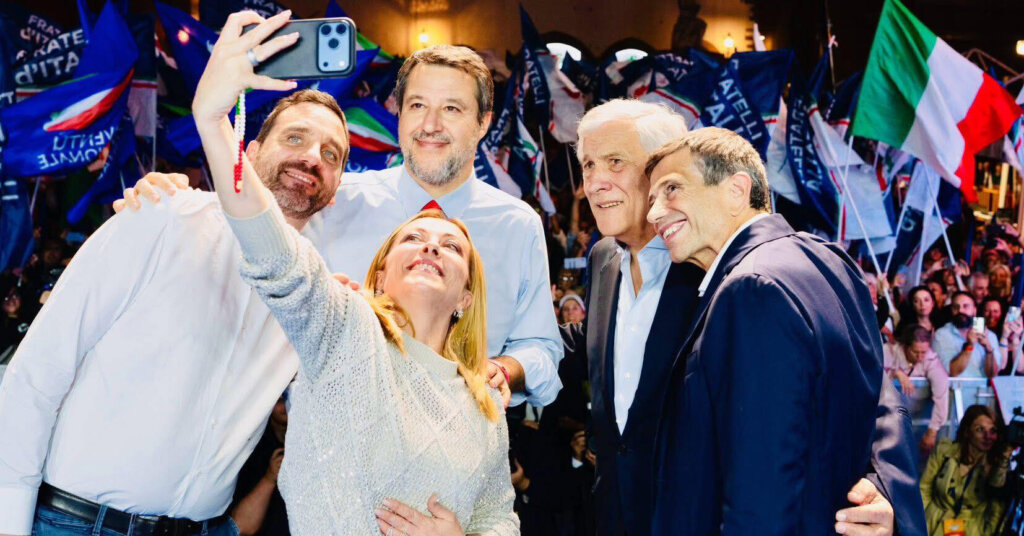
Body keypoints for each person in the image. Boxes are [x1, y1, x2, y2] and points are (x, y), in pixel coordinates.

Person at [0, 12, 343, 536]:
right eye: (295, 138)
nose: (312, 157)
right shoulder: (160, 217)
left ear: (337, 188)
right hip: (74, 523)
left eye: (331, 154)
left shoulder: (311, 295)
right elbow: (37, 375)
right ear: (250, 150)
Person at [190, 12, 517, 535]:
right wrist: (213, 123)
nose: (431, 244)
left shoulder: (485, 406)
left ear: (466, 296)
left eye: (452, 246)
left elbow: (499, 516)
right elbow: (274, 253)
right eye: (411, 238)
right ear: (379, 276)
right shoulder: (343, 332)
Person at [119, 45, 561, 410]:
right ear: (399, 113)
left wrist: (502, 369)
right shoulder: (333, 198)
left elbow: (541, 346)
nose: (430, 125)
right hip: (326, 450)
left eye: (451, 108)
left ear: (483, 122)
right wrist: (173, 199)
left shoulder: (518, 225)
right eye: (417, 106)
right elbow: (251, 226)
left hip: (463, 451)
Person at [561, 102, 915, 536]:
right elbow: (594, 345)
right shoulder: (602, 259)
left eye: (615, 161)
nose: (594, 182)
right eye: (588, 165)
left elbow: (867, 385)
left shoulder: (722, 265)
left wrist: (883, 485)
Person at [648, 128, 887, 534]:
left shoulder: (750, 289)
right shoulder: (830, 259)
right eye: (652, 199)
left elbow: (761, 495)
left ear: (737, 191)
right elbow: (880, 400)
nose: (653, 213)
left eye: (671, 189)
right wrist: (886, 487)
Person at [919, 405, 1011, 536]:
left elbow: (997, 510)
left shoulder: (997, 466)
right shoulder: (945, 452)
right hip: (932, 525)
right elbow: (924, 488)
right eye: (980, 430)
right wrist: (919, 523)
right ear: (967, 432)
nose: (988, 436)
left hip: (971, 530)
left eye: (993, 431)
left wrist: (989, 532)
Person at [230, 395, 290, 536]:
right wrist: (270, 477)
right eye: (280, 400)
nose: (286, 404)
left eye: (290, 396)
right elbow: (240, 526)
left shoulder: (316, 440)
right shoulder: (252, 449)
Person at [883, 325, 948, 454]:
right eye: (915, 352)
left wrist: (932, 431)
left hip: (917, 420)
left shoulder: (931, 359)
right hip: (886, 420)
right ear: (905, 347)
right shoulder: (888, 351)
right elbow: (872, 373)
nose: (920, 357)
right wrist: (895, 373)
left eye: (923, 352)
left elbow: (941, 395)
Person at [932, 292, 1002, 378]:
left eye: (965, 306)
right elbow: (952, 372)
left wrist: (989, 350)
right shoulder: (941, 335)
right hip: (956, 386)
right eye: (956, 307)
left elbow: (992, 375)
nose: (960, 310)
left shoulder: (989, 335)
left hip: (982, 386)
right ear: (951, 310)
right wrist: (969, 345)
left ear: (974, 310)